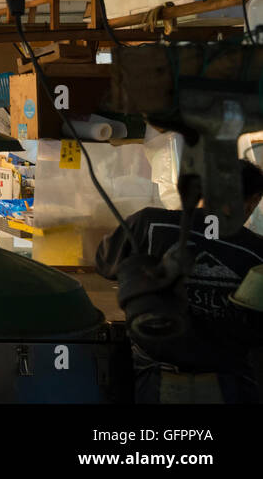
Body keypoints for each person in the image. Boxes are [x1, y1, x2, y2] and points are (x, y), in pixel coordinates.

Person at [95, 160, 263, 403]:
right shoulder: (257, 252)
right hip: (228, 384)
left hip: (155, 377)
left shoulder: (148, 223)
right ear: (253, 201)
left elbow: (103, 263)